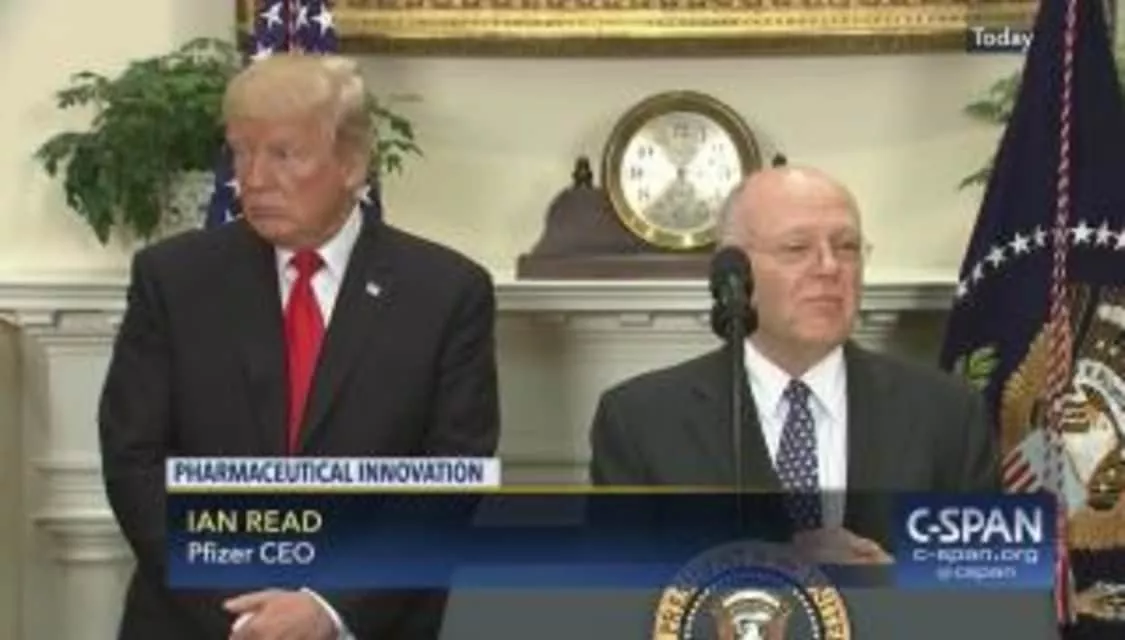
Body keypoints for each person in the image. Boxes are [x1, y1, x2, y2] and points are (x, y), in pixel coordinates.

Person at [98, 53, 500, 640]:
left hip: (366, 622)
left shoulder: (445, 293)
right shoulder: (174, 279)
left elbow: (450, 478)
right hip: (198, 620)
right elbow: (134, 461)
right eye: (241, 152)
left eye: (283, 154)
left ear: (352, 162)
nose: (254, 178)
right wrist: (248, 614)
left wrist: (327, 607)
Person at [587, 165, 999, 562]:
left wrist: (892, 584)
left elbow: (992, 590)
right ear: (735, 272)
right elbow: (614, 594)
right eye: (797, 248)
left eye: (847, 247)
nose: (829, 267)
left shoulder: (949, 413)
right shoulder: (640, 420)